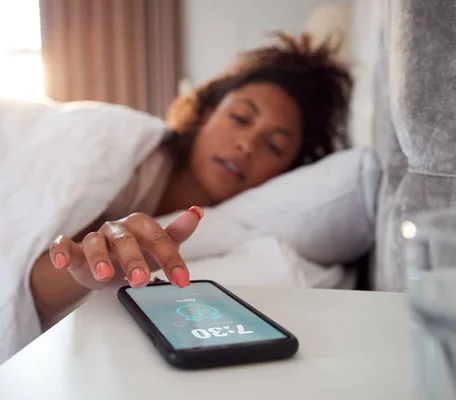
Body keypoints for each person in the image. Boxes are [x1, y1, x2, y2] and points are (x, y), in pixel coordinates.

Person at [30, 32, 353, 326]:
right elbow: (25, 292)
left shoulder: (236, 229)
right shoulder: (127, 161)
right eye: (240, 117)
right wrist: (81, 267)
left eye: (274, 146)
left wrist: (93, 273)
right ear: (205, 113)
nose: (247, 145)